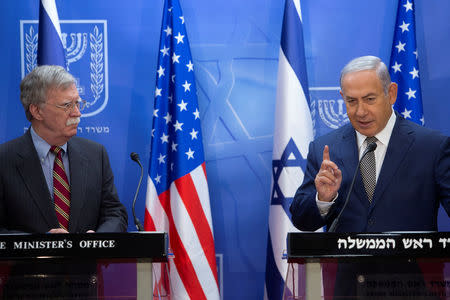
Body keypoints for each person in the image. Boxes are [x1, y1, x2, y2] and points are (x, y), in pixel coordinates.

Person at [290, 56, 450, 299]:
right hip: (348, 290)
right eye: (351, 101)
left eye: (370, 99)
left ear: (392, 94)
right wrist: (323, 199)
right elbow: (301, 219)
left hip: (414, 289)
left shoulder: (431, 148)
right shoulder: (325, 149)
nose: (360, 111)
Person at [0, 65, 128, 234]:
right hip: (28, 261)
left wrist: (98, 240)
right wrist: (42, 244)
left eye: (78, 103)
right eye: (67, 105)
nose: (77, 113)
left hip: (84, 260)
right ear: (37, 111)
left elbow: (114, 213)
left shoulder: (96, 154)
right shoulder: (4, 159)